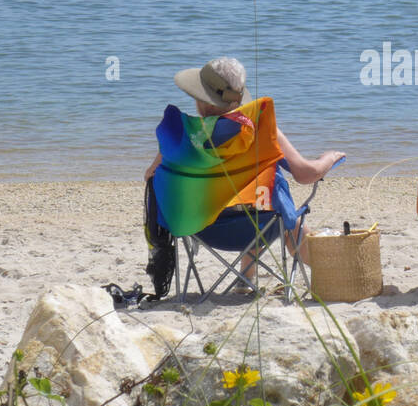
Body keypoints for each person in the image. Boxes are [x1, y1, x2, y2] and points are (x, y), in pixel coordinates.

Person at [144, 57, 344, 296]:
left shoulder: (183, 137)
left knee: (243, 194)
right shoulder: (259, 129)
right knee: (268, 197)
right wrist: (329, 158)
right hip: (261, 226)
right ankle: (333, 271)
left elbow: (151, 176)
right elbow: (304, 174)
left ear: (200, 99)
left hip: (200, 227)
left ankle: (245, 278)